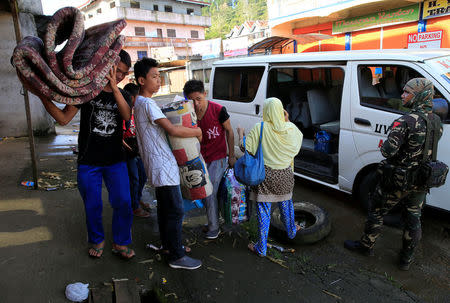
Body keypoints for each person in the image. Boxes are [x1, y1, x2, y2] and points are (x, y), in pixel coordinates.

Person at [36, 50, 135, 259]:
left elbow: (127, 116)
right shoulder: (87, 91)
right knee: (92, 204)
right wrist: (42, 97)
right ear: (108, 64)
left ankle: (121, 242)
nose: (120, 76)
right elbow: (63, 119)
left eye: (124, 73)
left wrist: (115, 89)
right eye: (119, 71)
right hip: (89, 161)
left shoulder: (124, 94)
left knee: (124, 202)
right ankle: (97, 239)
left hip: (115, 161)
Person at [344, 78, 443, 271]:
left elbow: (387, 151)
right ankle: (406, 259)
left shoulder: (404, 122)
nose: (402, 95)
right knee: (414, 218)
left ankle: (366, 246)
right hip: (423, 178)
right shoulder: (435, 120)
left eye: (407, 93)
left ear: (419, 97)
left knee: (377, 211)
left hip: (399, 179)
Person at [133, 57, 202, 270]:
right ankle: (177, 256)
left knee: (165, 209)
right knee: (175, 210)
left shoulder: (140, 103)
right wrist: (196, 131)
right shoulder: (146, 103)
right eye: (154, 77)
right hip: (162, 164)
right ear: (141, 80)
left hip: (156, 163)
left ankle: (168, 245)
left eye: (159, 76)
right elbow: (172, 130)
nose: (158, 80)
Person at [237, 97, 303, 257]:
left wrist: (240, 134)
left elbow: (245, 148)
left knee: (264, 212)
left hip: (265, 176)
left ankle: (261, 248)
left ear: (266, 111)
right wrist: (286, 121)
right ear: (281, 111)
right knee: (286, 204)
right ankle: (292, 231)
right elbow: (296, 146)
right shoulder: (291, 128)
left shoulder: (260, 128)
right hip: (285, 175)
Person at [183, 80, 236, 239]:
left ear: (205, 94)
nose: (196, 104)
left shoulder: (219, 110)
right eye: (191, 100)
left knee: (209, 191)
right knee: (202, 192)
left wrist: (231, 155)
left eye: (199, 98)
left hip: (218, 157)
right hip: (199, 159)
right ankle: (213, 220)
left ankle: (214, 227)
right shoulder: (187, 113)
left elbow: (230, 132)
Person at [122, 83, 150, 218]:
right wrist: (130, 150)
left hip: (137, 150)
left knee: (143, 176)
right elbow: (118, 136)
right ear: (132, 98)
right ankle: (134, 207)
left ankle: (137, 199)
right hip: (128, 152)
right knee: (134, 178)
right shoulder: (124, 112)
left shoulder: (137, 111)